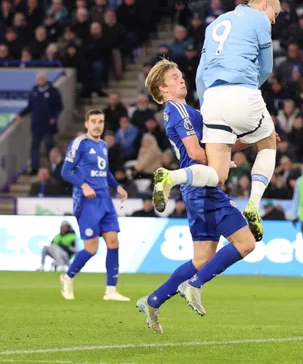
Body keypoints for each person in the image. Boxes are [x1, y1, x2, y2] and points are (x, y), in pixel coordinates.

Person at [137, 59, 257, 333]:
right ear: (162, 88)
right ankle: (194, 284)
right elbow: (196, 153)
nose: (182, 79)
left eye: (181, 75)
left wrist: (254, 140)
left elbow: (217, 149)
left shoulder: (185, 110)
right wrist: (221, 163)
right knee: (246, 243)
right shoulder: (178, 110)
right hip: (203, 188)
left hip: (196, 189)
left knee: (201, 260)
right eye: (175, 77)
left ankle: (152, 301)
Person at [190, 0, 282, 241]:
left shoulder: (215, 23)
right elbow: (266, 68)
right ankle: (253, 203)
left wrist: (206, 105)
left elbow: (199, 75)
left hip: (212, 99)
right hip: (241, 90)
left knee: (218, 172)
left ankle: (173, 178)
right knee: (268, 143)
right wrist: (249, 89)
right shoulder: (259, 20)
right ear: (265, 6)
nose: (273, 21)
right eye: (274, 15)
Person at [59, 110, 130, 302]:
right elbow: (65, 171)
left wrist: (118, 187)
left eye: (100, 121)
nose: (97, 125)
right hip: (87, 202)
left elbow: (105, 172)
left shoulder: (104, 146)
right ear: (86, 124)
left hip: (105, 200)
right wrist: (83, 185)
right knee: (91, 249)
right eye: (93, 121)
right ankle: (67, 277)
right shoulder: (80, 143)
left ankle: (111, 290)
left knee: (114, 242)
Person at [14, 71, 64, 174]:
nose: (40, 81)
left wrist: (54, 117)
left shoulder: (53, 91)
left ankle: (52, 167)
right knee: (34, 146)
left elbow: (59, 106)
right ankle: (35, 167)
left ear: (46, 79)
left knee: (49, 145)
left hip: (48, 125)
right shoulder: (34, 91)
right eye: (38, 79)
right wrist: (20, 114)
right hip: (36, 124)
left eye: (42, 78)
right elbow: (30, 107)